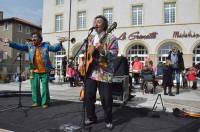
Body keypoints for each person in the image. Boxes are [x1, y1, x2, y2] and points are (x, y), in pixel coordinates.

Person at [4, 32, 63, 108]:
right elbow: (20, 46)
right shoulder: (30, 46)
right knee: (34, 87)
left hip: (45, 70)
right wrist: (10, 42)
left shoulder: (46, 45)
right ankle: (37, 102)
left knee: (45, 87)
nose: (33, 38)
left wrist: (60, 43)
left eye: (35, 37)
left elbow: (55, 49)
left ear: (39, 38)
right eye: (32, 37)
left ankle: (45, 102)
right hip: (34, 70)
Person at [84, 15, 118, 129]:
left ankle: (108, 119)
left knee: (106, 98)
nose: (96, 23)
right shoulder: (91, 38)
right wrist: (83, 62)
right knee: (89, 96)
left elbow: (114, 55)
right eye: (95, 22)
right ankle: (91, 117)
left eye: (99, 22)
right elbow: (88, 53)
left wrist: (103, 51)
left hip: (105, 72)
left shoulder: (111, 37)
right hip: (91, 72)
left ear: (105, 25)